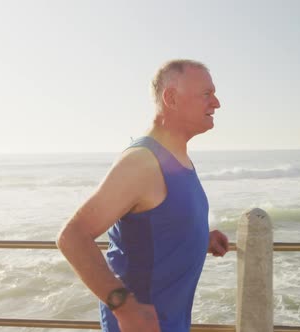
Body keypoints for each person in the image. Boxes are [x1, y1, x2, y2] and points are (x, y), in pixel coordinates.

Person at [56, 59, 229, 332]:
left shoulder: (177, 156)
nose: (216, 102)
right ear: (171, 98)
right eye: (206, 94)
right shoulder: (142, 162)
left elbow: (153, 225)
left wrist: (198, 238)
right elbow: (72, 236)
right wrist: (126, 309)